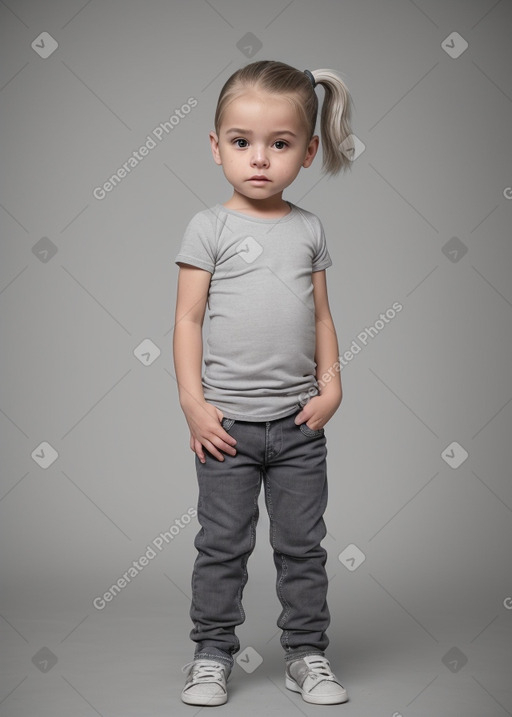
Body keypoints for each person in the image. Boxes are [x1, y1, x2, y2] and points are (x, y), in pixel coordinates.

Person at [173, 59, 353, 706]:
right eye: (242, 142)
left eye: (279, 144)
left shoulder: (308, 230)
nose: (259, 159)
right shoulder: (209, 227)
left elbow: (323, 317)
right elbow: (188, 319)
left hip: (299, 427)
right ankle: (212, 653)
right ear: (216, 145)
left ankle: (307, 653)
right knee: (221, 546)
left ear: (307, 151)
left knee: (302, 547)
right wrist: (194, 405)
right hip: (227, 428)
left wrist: (331, 389)